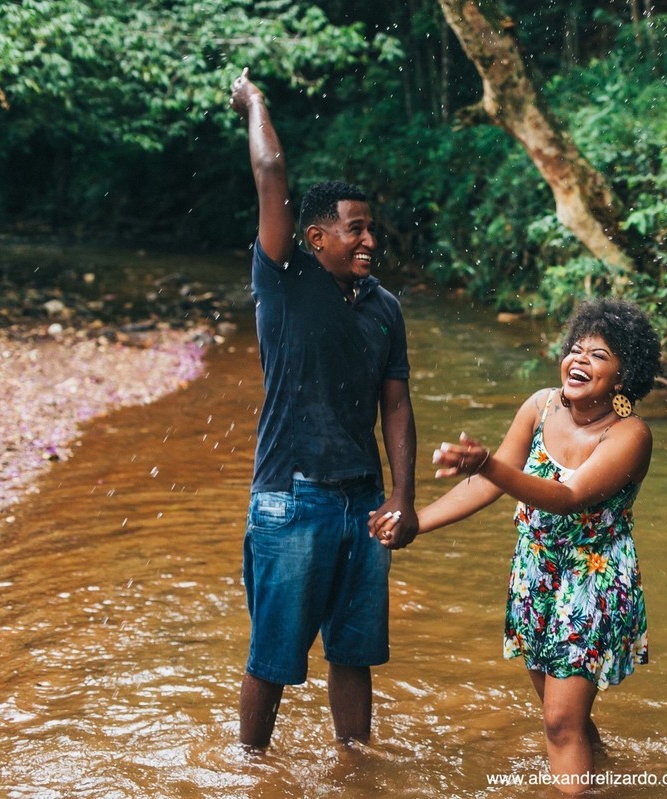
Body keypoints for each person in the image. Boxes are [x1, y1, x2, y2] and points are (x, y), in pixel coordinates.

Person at [371, 299, 660, 793]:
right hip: (535, 574)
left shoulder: (630, 434)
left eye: (598, 355)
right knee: (562, 716)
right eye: (575, 349)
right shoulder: (541, 406)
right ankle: (608, 780)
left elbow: (566, 497)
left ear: (623, 377)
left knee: (559, 722)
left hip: (592, 582)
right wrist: (416, 523)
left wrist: (488, 465)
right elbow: (488, 486)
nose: (579, 360)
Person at [230, 68, 419, 749]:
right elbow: (271, 172)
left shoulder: (384, 307)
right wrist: (254, 103)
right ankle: (252, 770)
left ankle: (356, 767)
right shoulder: (283, 279)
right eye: (355, 229)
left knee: (354, 652)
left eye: (371, 230)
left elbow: (396, 405)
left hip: (363, 501)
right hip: (291, 496)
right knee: (273, 657)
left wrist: (402, 496)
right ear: (315, 238)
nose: (369, 240)